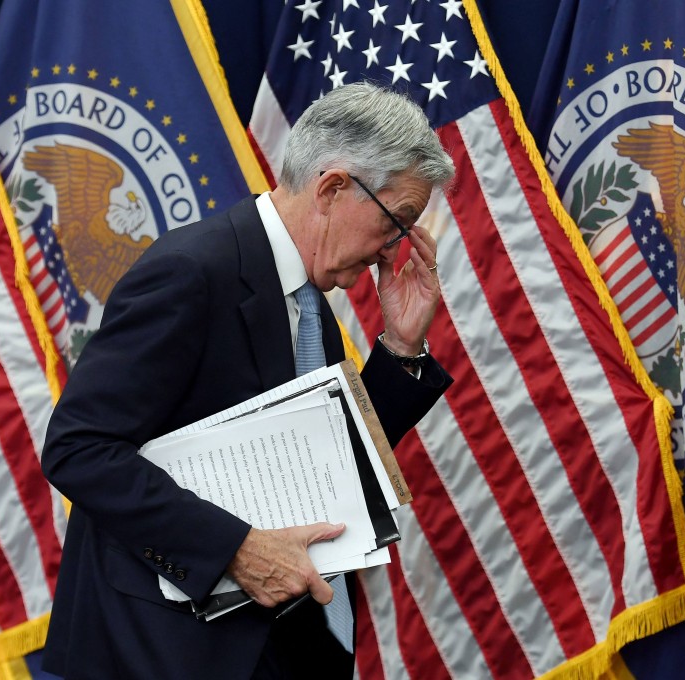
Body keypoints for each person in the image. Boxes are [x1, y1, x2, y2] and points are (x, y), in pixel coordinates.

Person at [40, 82, 456, 679]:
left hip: (285, 649)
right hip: (164, 655)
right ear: (333, 189)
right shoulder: (190, 272)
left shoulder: (307, 301)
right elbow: (78, 449)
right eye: (397, 222)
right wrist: (235, 549)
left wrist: (402, 347)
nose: (396, 250)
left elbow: (328, 469)